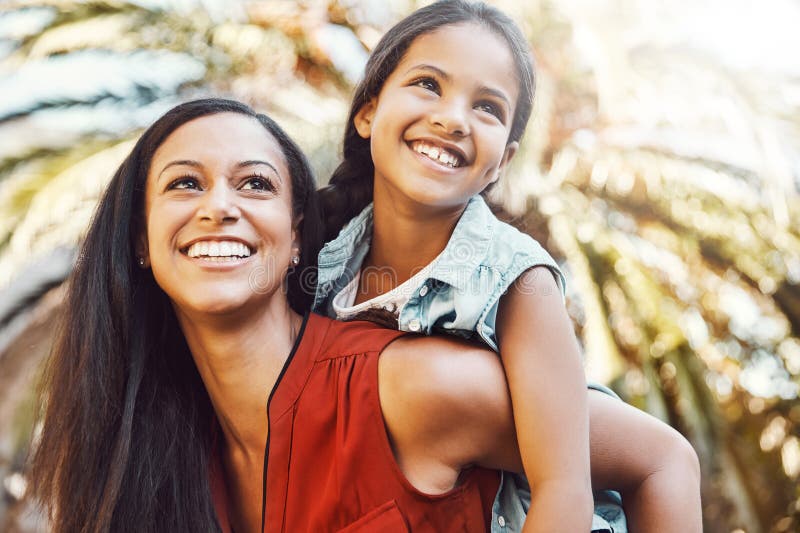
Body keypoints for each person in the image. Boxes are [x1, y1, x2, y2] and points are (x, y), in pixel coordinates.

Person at [29, 98, 548, 533]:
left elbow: (632, 455)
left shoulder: (410, 386)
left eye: (255, 184)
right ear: (142, 239)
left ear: (297, 236)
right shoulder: (148, 458)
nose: (218, 208)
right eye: (184, 184)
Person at [316, 1, 702, 532]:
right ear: (367, 113)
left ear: (503, 160)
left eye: (488, 108)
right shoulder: (323, 261)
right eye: (428, 84)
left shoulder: (517, 281)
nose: (452, 118)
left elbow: (564, 492)